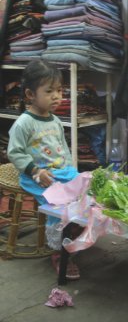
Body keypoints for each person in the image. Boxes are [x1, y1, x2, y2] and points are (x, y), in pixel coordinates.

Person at [7, 59, 81, 279]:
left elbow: (63, 150)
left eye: (59, 90)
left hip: (60, 173)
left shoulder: (56, 121)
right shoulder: (24, 123)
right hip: (36, 176)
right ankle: (58, 252)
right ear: (30, 94)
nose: (57, 96)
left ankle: (74, 231)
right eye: (49, 91)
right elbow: (15, 152)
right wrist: (35, 171)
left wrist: (71, 172)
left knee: (87, 193)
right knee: (58, 206)